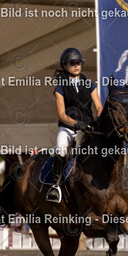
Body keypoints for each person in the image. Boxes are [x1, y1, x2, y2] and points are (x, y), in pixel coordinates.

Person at [46, 47, 102, 203]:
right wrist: (77, 124)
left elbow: (99, 106)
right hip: (68, 129)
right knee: (61, 148)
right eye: (72, 63)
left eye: (78, 63)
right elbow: (62, 115)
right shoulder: (60, 87)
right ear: (65, 65)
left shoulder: (89, 83)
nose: (76, 66)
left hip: (88, 129)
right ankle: (55, 187)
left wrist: (98, 118)